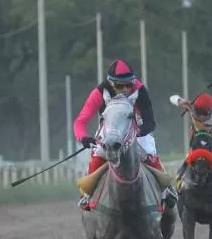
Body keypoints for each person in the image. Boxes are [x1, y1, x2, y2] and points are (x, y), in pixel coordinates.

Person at [73, 59, 176, 210]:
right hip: (109, 129)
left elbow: (150, 122)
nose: (126, 89)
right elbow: (80, 121)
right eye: (120, 86)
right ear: (110, 83)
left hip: (136, 128)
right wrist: (83, 137)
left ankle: (165, 192)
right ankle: (86, 195)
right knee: (98, 155)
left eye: (128, 84)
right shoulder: (99, 92)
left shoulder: (139, 89)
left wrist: (137, 132)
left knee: (149, 154)